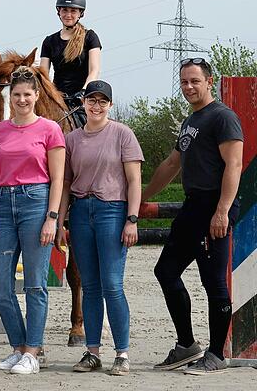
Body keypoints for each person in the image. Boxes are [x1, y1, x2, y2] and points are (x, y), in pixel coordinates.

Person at [142, 58, 243, 375]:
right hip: (192, 206)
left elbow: (234, 165)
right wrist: (141, 197)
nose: (188, 87)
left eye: (195, 81)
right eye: (184, 81)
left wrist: (223, 210)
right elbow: (172, 164)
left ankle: (216, 354)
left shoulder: (223, 117)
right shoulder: (191, 121)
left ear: (209, 81)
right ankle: (187, 344)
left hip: (215, 206)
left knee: (213, 282)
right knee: (165, 270)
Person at [0, 66, 65, 375]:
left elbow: (58, 179)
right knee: (1, 284)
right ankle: (17, 347)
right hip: (2, 205)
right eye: (16, 95)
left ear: (36, 95)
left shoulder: (49, 129)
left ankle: (33, 351)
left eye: (27, 94)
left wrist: (52, 218)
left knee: (35, 284)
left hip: (36, 202)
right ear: (9, 96)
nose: (22, 99)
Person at [53, 80, 143, 376]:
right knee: (89, 287)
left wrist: (131, 219)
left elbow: (134, 181)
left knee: (113, 286)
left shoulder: (122, 134)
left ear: (110, 105)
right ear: (84, 103)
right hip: (80, 211)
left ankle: (122, 353)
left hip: (112, 211)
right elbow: (65, 183)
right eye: (92, 100)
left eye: (102, 101)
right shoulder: (73, 139)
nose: (96, 105)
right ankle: (92, 351)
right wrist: (59, 220)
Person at [39, 0, 102, 129]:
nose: (68, 15)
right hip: (56, 98)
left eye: (73, 11)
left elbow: (94, 70)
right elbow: (43, 74)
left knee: (93, 129)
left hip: (81, 98)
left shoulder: (90, 37)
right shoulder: (49, 41)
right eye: (65, 10)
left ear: (81, 13)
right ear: (59, 12)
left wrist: (83, 92)